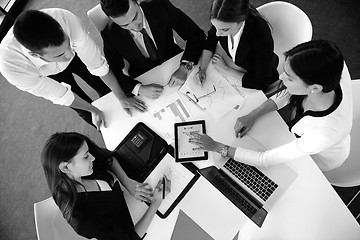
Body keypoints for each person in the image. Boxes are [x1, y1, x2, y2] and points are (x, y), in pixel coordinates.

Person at [189, 40, 353, 171]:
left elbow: (264, 159)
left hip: (319, 158)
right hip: (311, 136)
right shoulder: (331, 69)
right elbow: (289, 94)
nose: (281, 77)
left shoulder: (321, 135)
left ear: (315, 88)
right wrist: (253, 115)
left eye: (289, 77)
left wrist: (218, 147)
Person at [0, 8, 147, 130]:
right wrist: (93, 110)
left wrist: (121, 97)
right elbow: (63, 95)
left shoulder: (66, 20)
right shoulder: (12, 67)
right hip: (44, 75)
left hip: (77, 50)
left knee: (104, 86)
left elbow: (98, 65)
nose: (69, 55)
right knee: (89, 113)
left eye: (67, 44)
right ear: (34, 54)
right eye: (60, 54)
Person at [41, 132, 171, 239]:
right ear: (65, 167)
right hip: (131, 222)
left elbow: (106, 157)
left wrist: (126, 181)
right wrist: (155, 203)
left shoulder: (77, 170)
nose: (92, 158)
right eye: (86, 157)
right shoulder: (83, 220)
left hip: (128, 196)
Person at [100, 0, 206, 98]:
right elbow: (113, 72)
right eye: (125, 25)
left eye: (135, 17)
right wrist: (139, 89)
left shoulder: (160, 5)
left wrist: (185, 67)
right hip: (144, 77)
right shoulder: (110, 35)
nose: (135, 27)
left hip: (175, 61)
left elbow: (196, 35)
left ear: (137, 2)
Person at [198, 0, 279, 91]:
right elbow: (211, 39)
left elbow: (261, 82)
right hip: (237, 65)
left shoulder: (260, 35)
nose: (217, 33)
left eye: (224, 30)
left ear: (241, 21)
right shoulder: (222, 20)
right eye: (215, 26)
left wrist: (226, 69)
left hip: (255, 73)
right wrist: (203, 69)